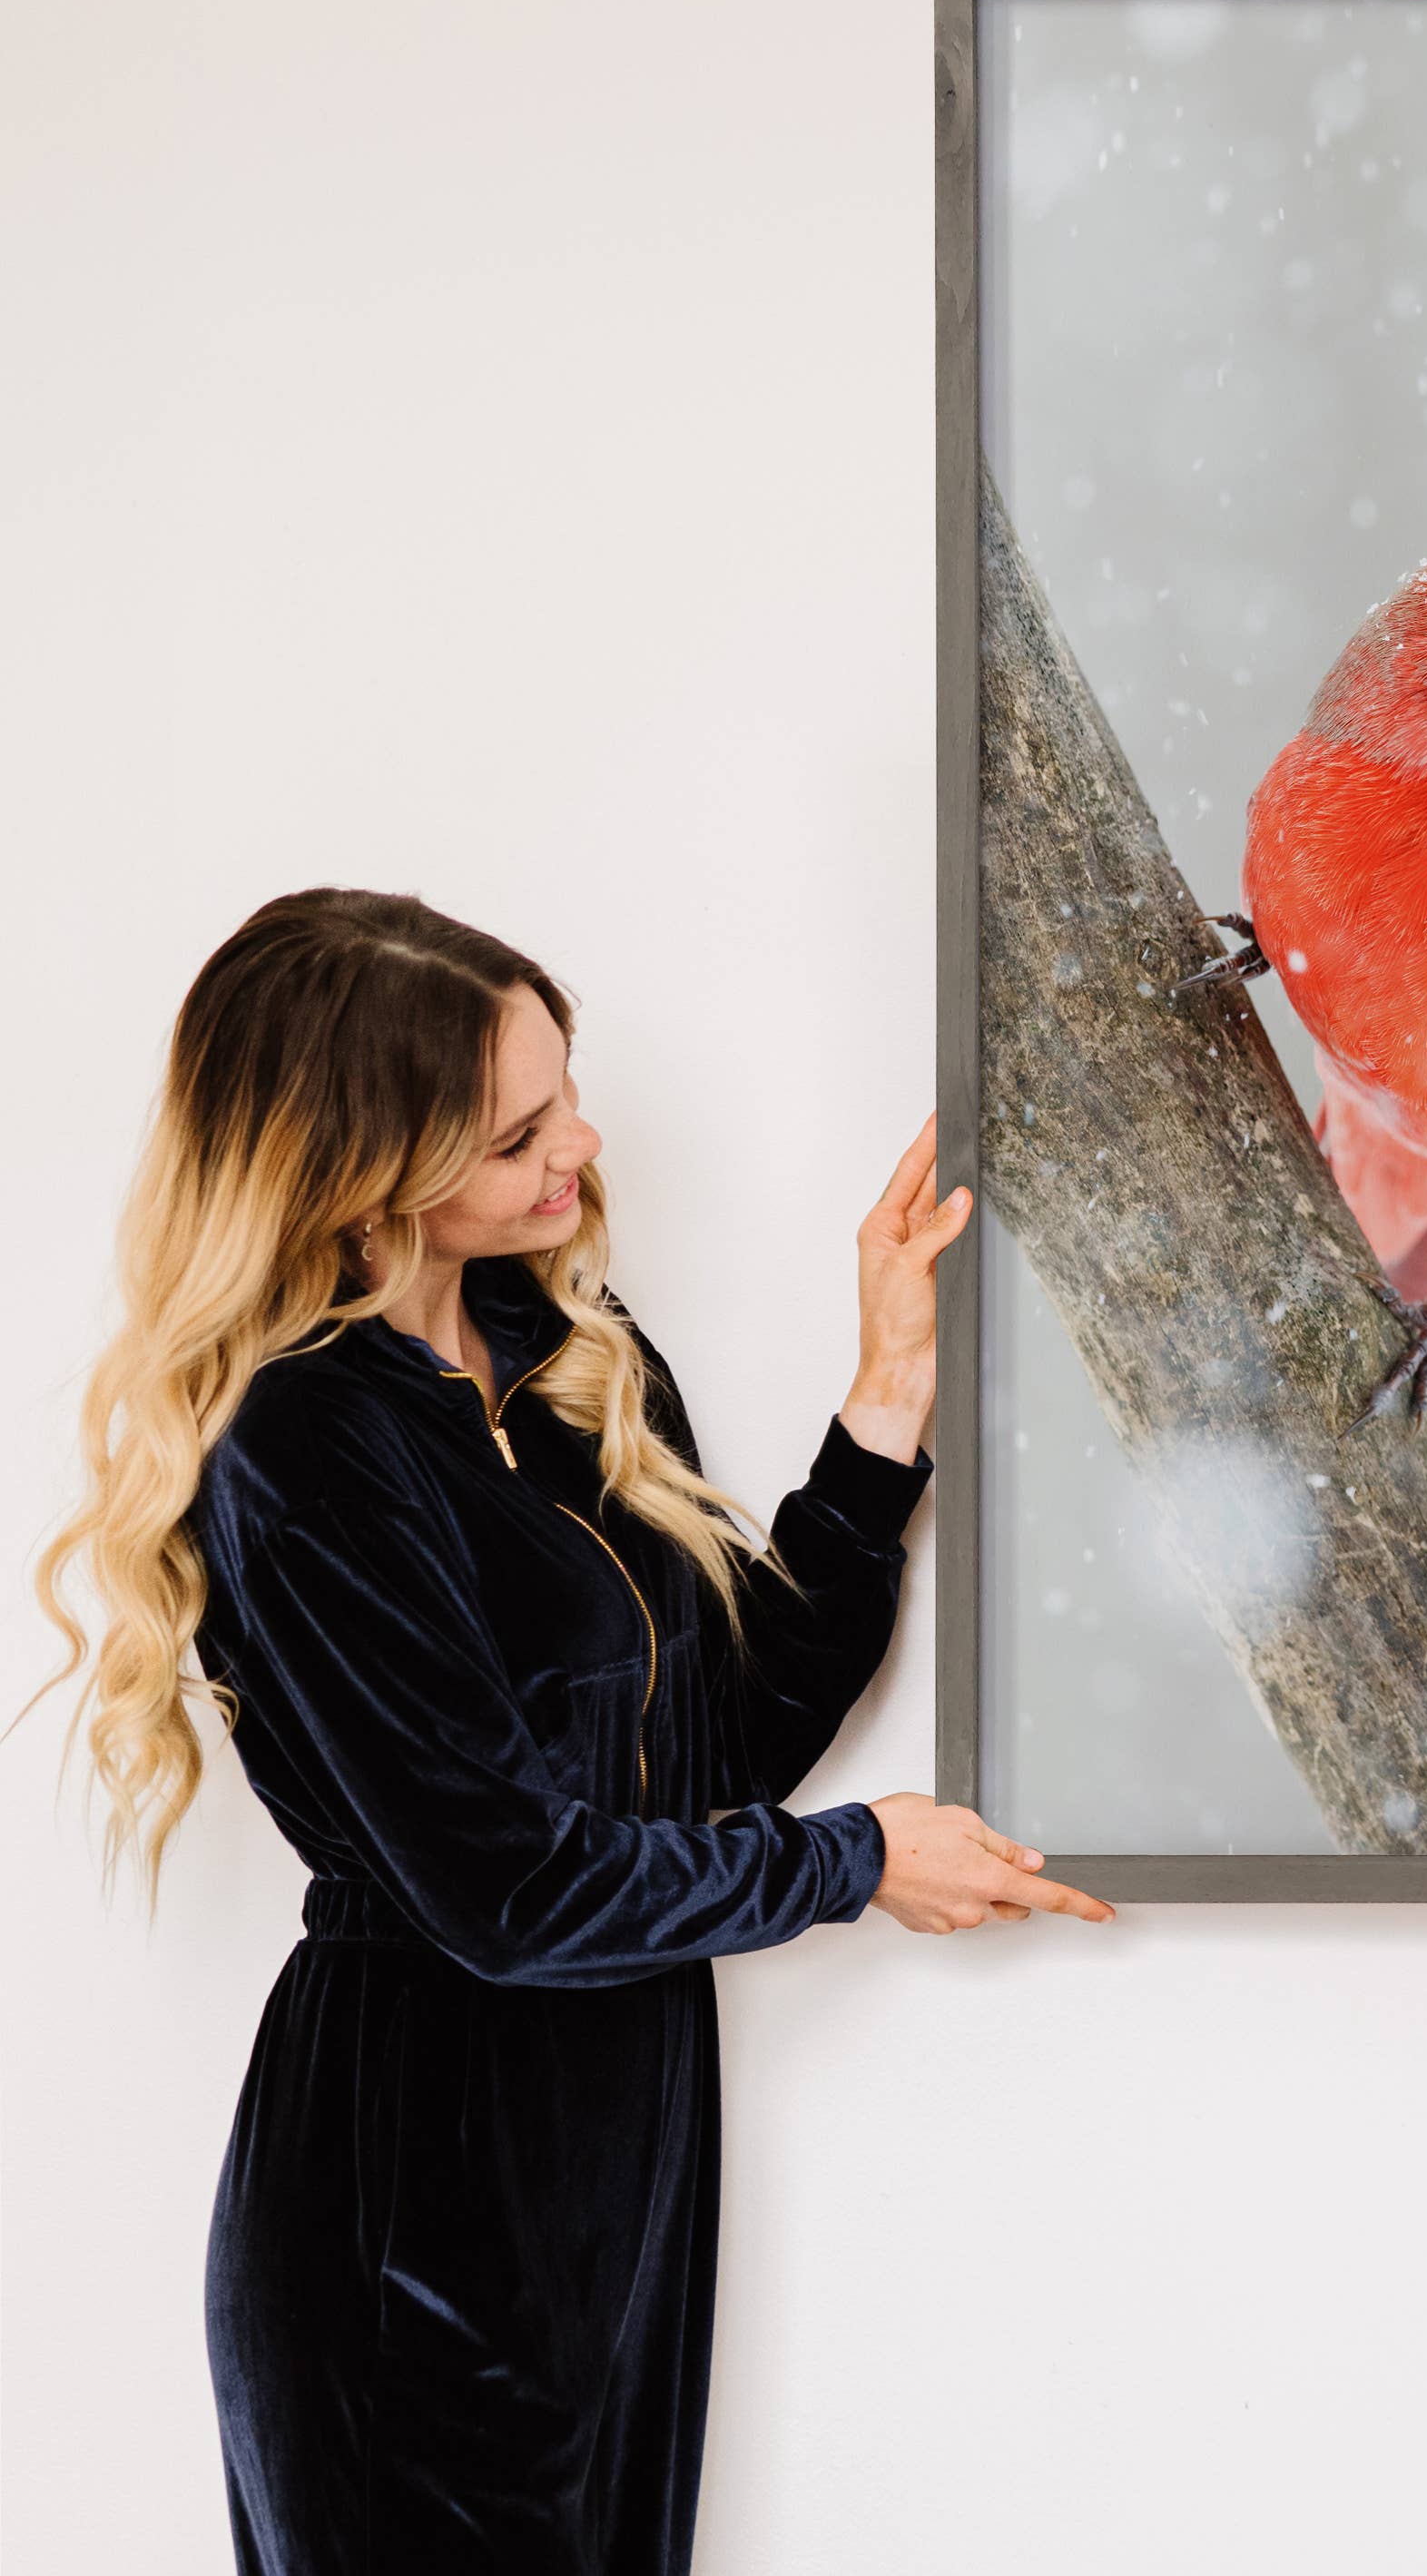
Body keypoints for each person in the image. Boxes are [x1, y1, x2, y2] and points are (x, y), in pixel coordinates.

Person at [34, 889, 1110, 2574]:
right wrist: (855, 1867)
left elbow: (723, 1749)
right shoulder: (298, 1449)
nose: (582, 1150)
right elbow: (509, 1888)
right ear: (354, 1173)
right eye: (519, 1131)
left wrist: (884, 1395)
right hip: (415, 2197)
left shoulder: (562, 1353)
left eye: (567, 1089)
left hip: (611, 2166)